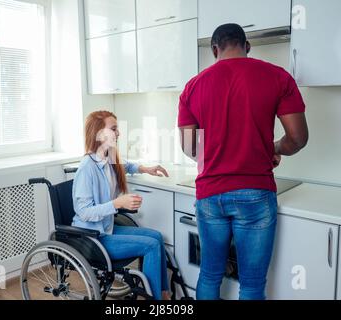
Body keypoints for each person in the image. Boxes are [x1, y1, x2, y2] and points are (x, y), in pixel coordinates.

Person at [178, 24, 309, 300]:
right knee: (251, 283)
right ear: (247, 46)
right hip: (256, 194)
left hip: (210, 195)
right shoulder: (277, 77)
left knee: (210, 275)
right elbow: (297, 139)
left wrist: (216, 151)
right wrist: (272, 148)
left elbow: (190, 148)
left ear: (215, 50)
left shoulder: (193, 87)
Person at [72, 110, 171, 300]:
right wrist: (117, 203)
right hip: (93, 238)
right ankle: (154, 300)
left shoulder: (108, 158)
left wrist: (145, 168)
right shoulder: (87, 168)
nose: (118, 133)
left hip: (106, 229)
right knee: (150, 245)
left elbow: (125, 165)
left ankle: (163, 293)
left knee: (156, 237)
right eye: (114, 129)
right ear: (99, 133)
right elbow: (84, 212)